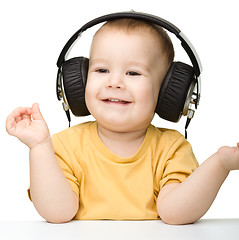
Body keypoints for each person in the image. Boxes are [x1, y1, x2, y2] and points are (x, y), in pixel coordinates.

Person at [6, 18, 239, 225]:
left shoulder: (171, 149)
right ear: (78, 81)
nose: (114, 82)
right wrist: (39, 147)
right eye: (102, 69)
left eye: (133, 73)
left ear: (169, 93)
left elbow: (175, 213)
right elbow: (57, 212)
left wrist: (220, 164)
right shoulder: (64, 146)